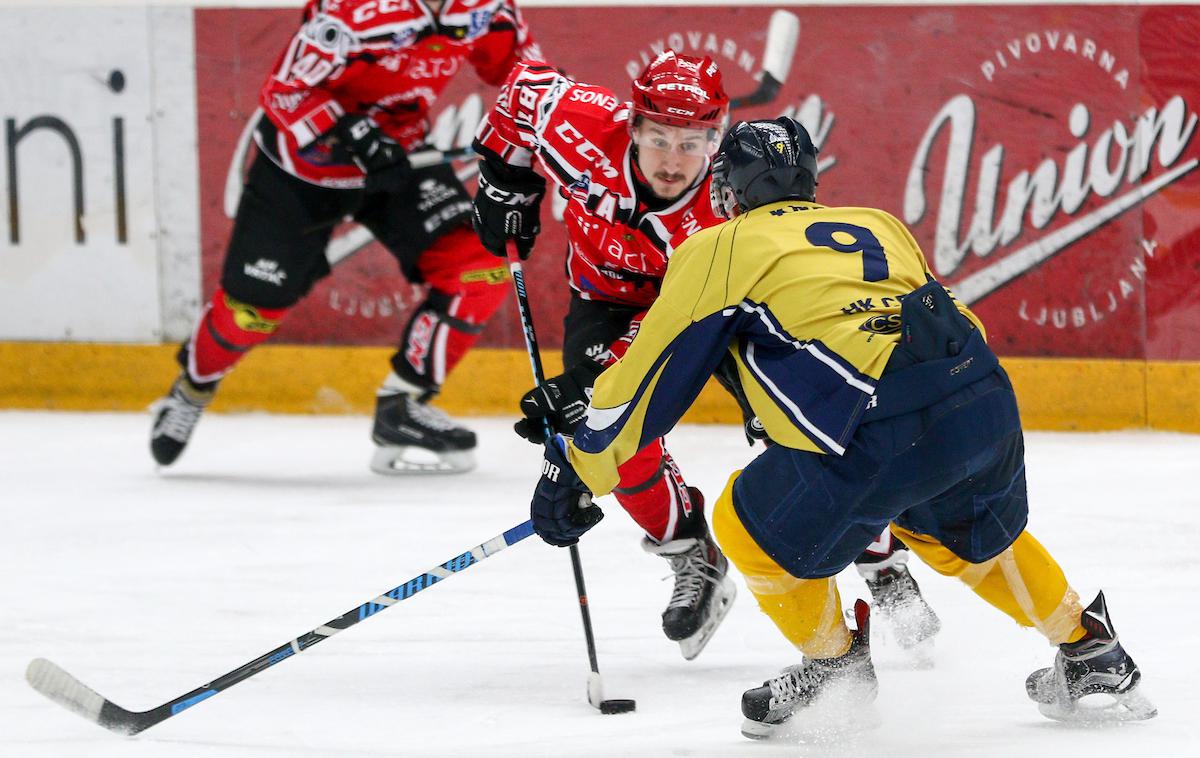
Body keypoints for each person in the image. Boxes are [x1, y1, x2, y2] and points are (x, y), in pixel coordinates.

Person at [527, 117, 1155, 736]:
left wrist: (579, 468)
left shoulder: (717, 246)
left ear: (732, 187)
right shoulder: (878, 224)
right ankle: (1089, 651)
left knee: (742, 525)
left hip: (877, 427)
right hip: (981, 397)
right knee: (961, 533)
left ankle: (834, 666)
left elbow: (648, 380)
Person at [471, 52, 938, 658]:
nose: (672, 159)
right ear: (632, 126)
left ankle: (880, 560)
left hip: (721, 311)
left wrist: (597, 376)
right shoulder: (578, 124)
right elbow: (520, 89)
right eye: (659, 138)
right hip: (605, 298)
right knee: (613, 436)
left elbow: (674, 332)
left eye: (692, 144)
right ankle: (691, 551)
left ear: (715, 141)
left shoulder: (730, 208)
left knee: (803, 432)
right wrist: (504, 179)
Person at [150, 0, 540, 475]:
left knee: (478, 263)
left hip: (398, 157)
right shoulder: (357, 9)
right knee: (250, 309)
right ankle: (193, 386)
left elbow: (530, 80)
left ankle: (404, 402)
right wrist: (350, 129)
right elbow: (286, 89)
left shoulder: (491, 10)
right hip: (304, 166)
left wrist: (567, 126)